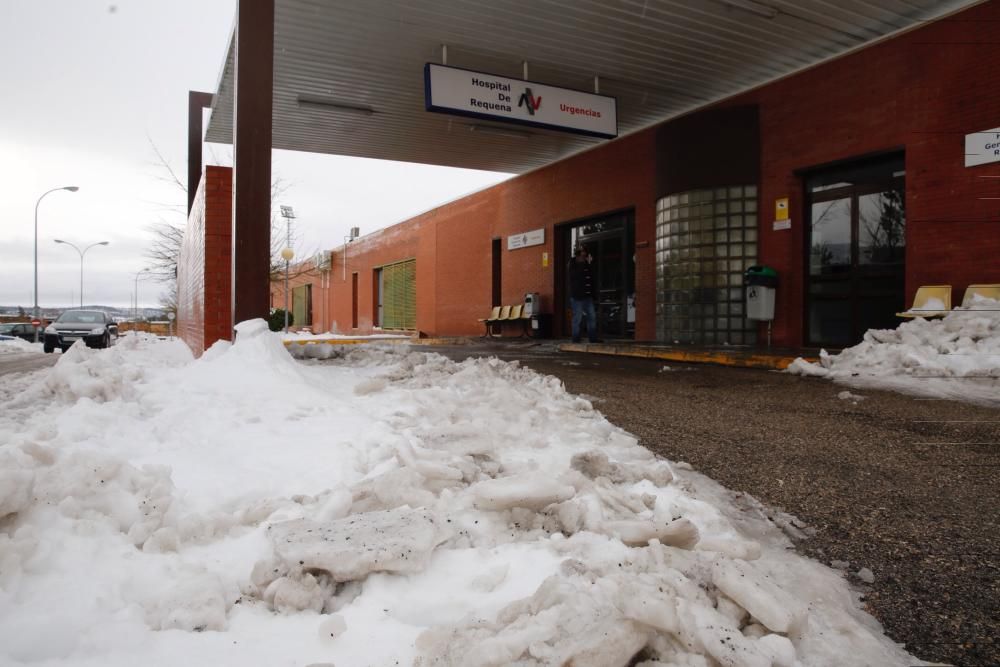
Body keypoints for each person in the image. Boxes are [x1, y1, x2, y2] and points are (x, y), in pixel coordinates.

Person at [568, 246, 598, 343]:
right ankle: (576, 339)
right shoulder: (572, 264)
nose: (584, 257)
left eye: (585, 255)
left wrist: (594, 295)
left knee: (592, 316)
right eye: (582, 255)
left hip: (588, 296)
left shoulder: (587, 264)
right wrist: (582, 264)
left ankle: (593, 339)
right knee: (577, 318)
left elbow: (591, 280)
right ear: (577, 256)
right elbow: (574, 276)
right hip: (577, 297)